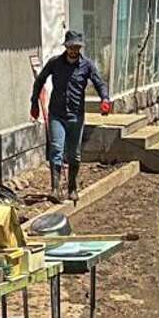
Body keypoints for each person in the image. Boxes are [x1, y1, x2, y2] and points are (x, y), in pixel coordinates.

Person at [30, 30, 112, 201]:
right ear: (66, 47)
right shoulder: (55, 63)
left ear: (80, 48)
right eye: (71, 46)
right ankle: (55, 189)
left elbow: (99, 83)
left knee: (74, 153)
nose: (73, 50)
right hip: (57, 114)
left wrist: (105, 98)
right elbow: (40, 81)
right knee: (57, 150)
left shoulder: (87, 65)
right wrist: (34, 103)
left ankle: (72, 187)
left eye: (76, 47)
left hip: (76, 115)